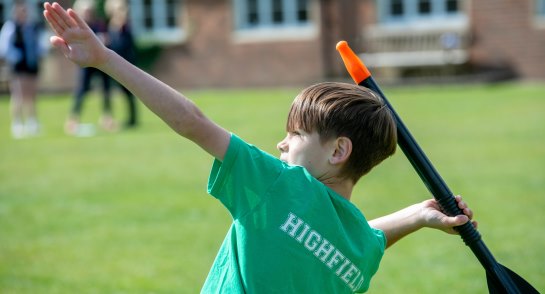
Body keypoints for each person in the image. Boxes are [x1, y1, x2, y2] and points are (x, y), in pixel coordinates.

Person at [43, 3, 477, 293]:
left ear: (337, 151)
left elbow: (191, 122)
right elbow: (368, 239)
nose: (281, 143)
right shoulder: (359, 255)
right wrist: (418, 217)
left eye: (296, 135)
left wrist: (105, 59)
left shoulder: (276, 186)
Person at [64, 0, 116, 135]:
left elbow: (107, 40)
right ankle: (73, 119)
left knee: (106, 90)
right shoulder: (76, 27)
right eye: (85, 11)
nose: (88, 14)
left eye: (90, 11)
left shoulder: (99, 25)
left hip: (101, 63)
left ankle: (107, 118)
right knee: (81, 90)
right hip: (86, 64)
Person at [0, 1, 45, 138]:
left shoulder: (32, 27)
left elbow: (38, 45)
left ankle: (32, 122)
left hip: (31, 65)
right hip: (18, 67)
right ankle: (17, 123)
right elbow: (4, 47)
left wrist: (39, 53)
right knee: (18, 94)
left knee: (31, 94)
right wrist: (16, 56)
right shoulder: (11, 27)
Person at [105, 0, 137, 128]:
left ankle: (132, 119)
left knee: (128, 92)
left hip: (126, 63)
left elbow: (127, 46)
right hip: (112, 65)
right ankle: (109, 118)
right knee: (110, 92)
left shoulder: (126, 27)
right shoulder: (110, 26)